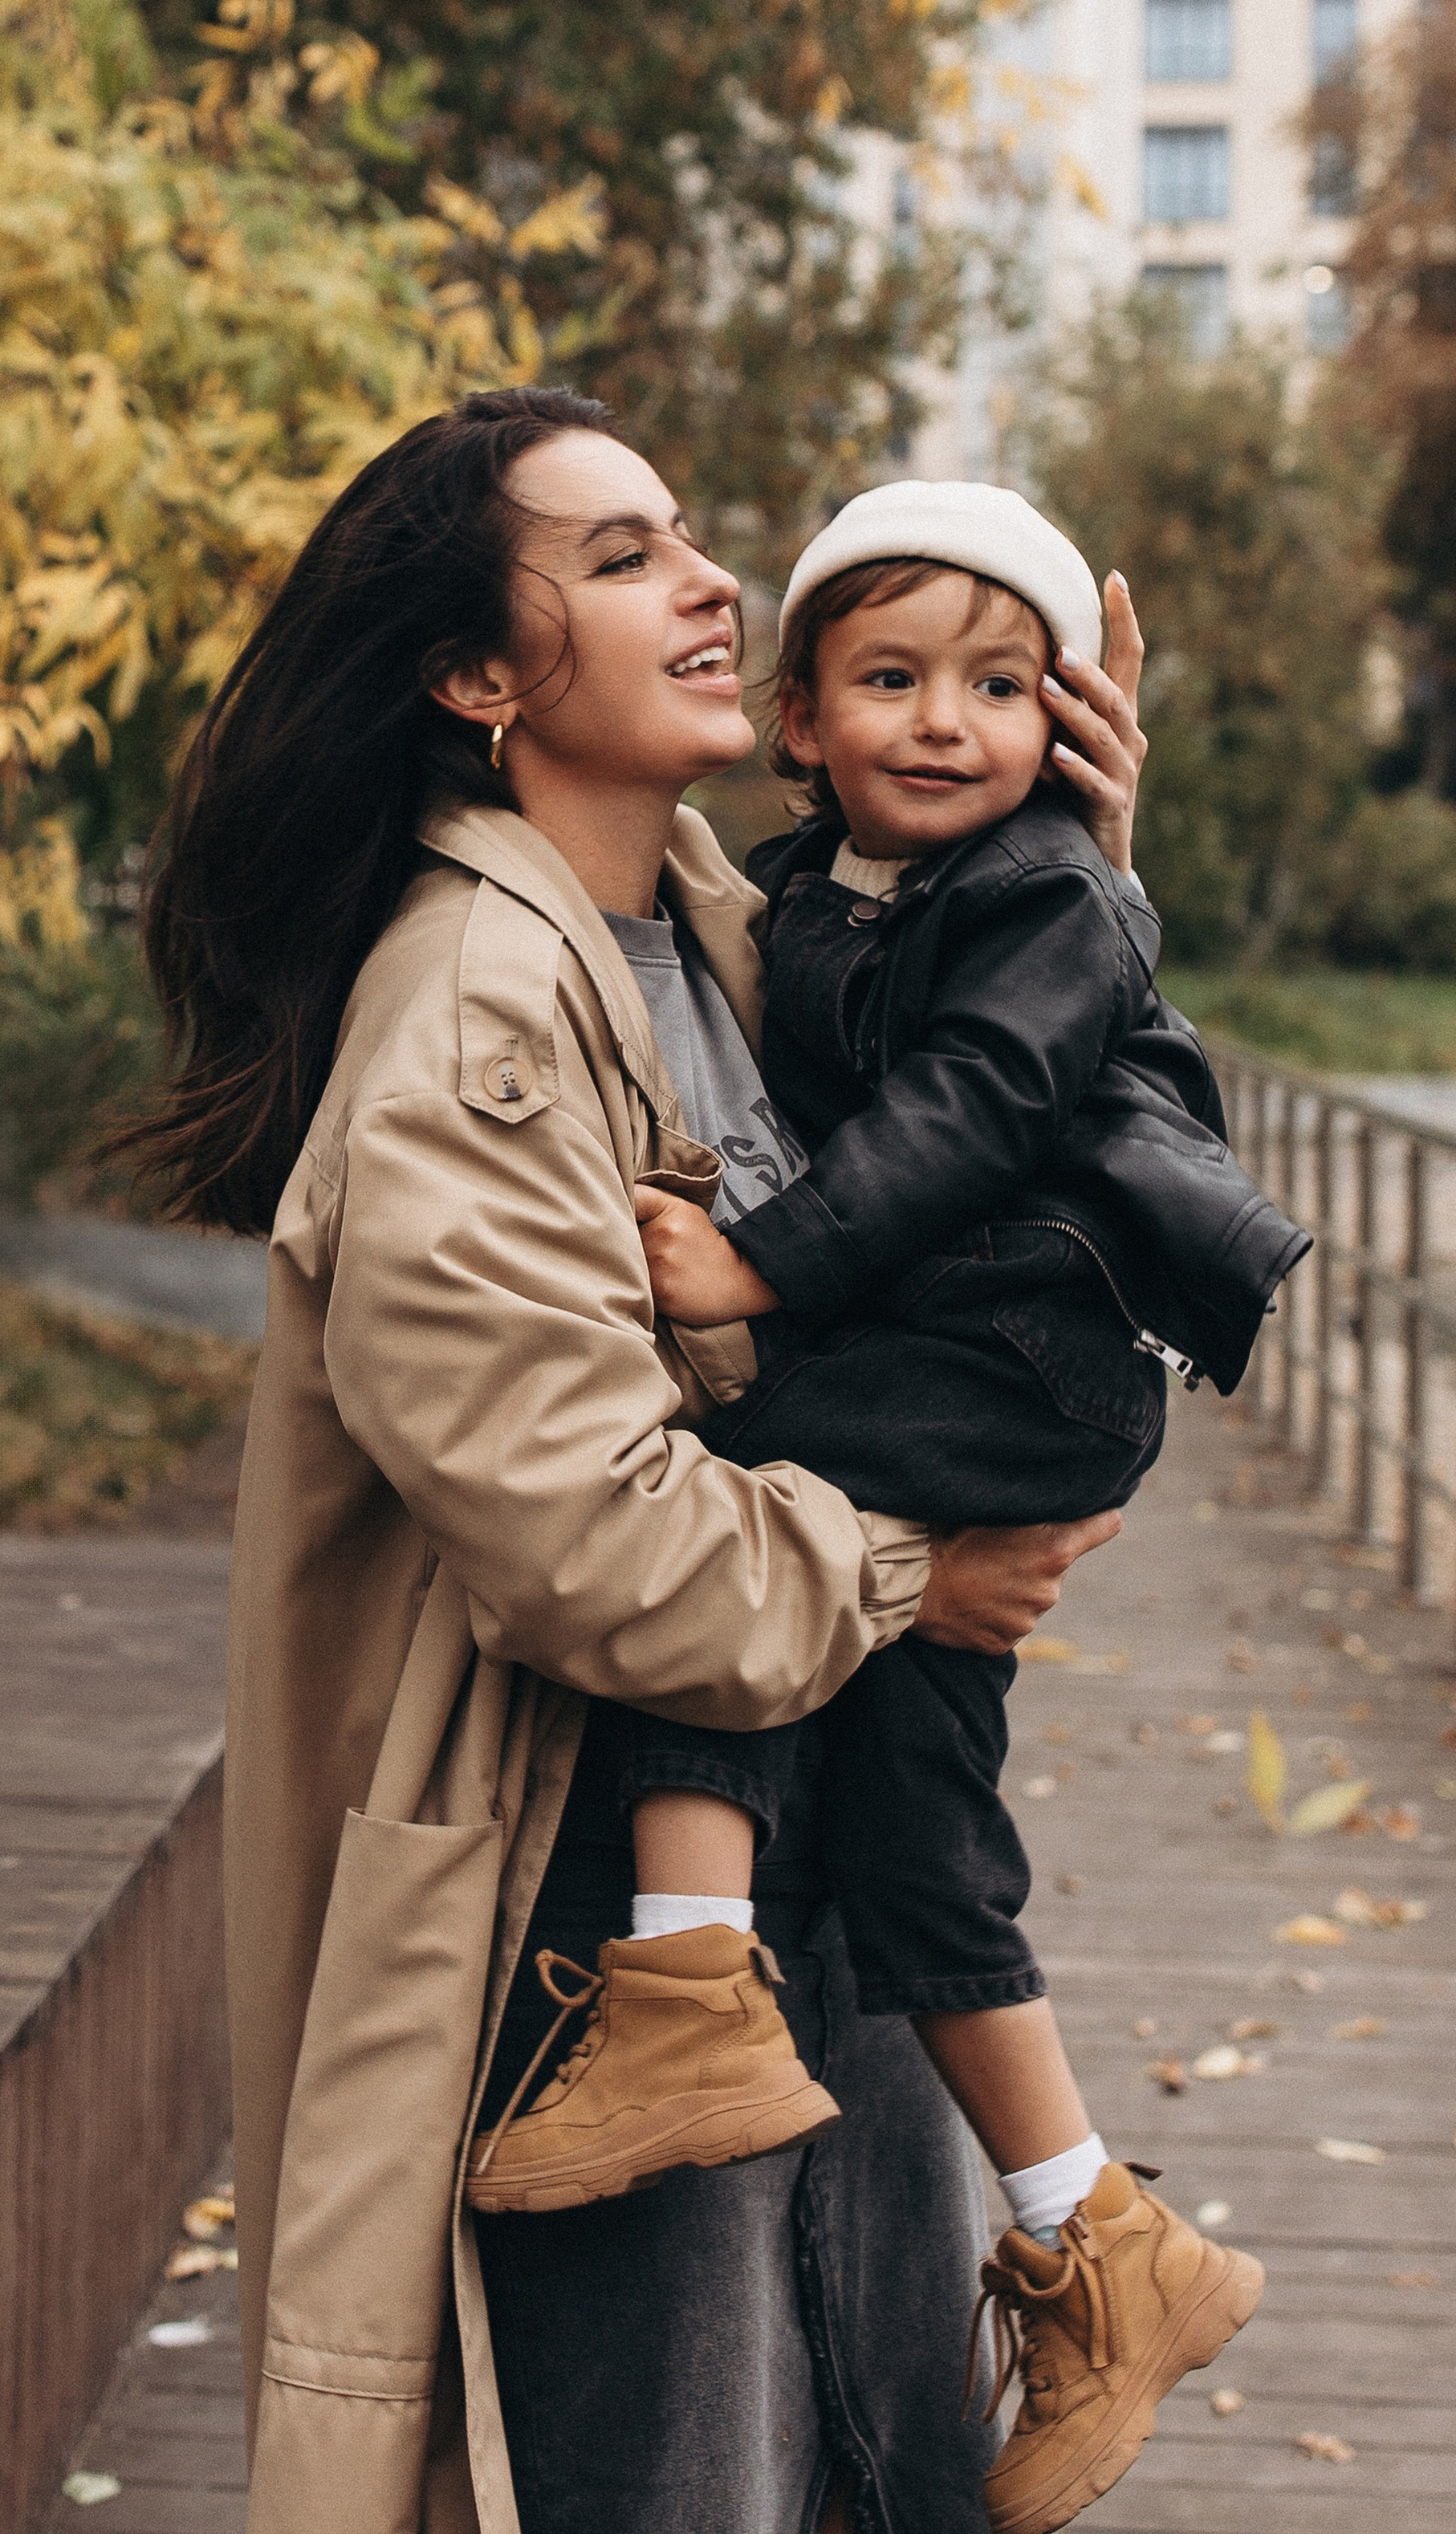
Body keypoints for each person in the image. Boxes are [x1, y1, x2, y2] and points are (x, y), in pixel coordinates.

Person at [121, 387, 1148, 2534]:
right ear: (477, 677)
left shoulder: (719, 934)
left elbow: (963, 1153)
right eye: (617, 556)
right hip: (591, 1913)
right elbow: (593, 1543)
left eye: (689, 538)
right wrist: (908, 1578)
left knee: (871, 2476)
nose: (703, 581)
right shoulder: (479, 1017)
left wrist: (1060, 876)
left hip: (804, 1852)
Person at [463, 484, 1306, 2534]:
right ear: (806, 721)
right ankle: (1095, 2230)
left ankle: (680, 1975)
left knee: (742, 1488)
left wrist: (762, 1265)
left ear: (1062, 711)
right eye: (894, 681)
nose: (945, 721)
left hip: (1009, 1360)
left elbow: (976, 1104)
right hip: (972, 1371)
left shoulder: (1036, 895)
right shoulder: (771, 890)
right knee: (927, 1803)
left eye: (1001, 685)